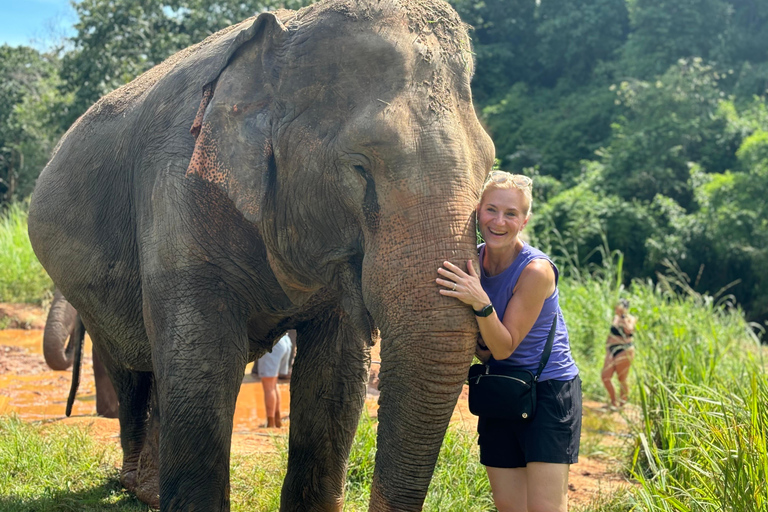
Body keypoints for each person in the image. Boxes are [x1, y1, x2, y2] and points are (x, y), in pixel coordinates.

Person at [436, 171, 581, 512]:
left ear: (524, 220)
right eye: (491, 210)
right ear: (477, 211)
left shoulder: (536, 271)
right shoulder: (473, 262)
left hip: (548, 393)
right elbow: (486, 351)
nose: (499, 222)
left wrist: (480, 301)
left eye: (511, 214)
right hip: (502, 390)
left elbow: (503, 347)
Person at [600, 299, 636, 409]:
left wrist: (623, 317)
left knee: (622, 378)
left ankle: (622, 403)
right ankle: (613, 401)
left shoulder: (631, 319)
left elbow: (629, 331)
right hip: (611, 349)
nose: (617, 309)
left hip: (625, 349)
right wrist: (607, 345)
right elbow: (611, 332)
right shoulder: (615, 318)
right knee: (605, 376)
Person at [258, 332, 292, 428]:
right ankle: (277, 421)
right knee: (273, 383)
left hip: (272, 343)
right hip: (285, 340)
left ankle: (270, 423)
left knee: (268, 386)